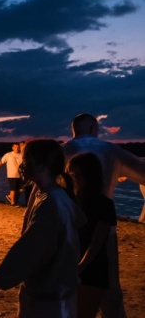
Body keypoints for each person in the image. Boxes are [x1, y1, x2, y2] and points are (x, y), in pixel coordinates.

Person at [0, 139, 87, 317]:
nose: (22, 165)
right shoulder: (55, 197)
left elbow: (28, 250)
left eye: (26, 159)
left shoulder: (51, 203)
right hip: (57, 295)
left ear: (40, 166)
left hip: (50, 302)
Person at [62, 113, 145, 317]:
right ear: (92, 128)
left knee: (68, 281)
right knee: (108, 286)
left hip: (67, 223)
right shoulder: (111, 151)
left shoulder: (61, 151)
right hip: (102, 223)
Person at [67, 153, 118, 318]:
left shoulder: (103, 204)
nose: (71, 179)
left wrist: (80, 267)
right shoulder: (72, 200)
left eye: (74, 175)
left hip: (92, 270)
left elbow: (97, 242)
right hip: (72, 266)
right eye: (69, 174)